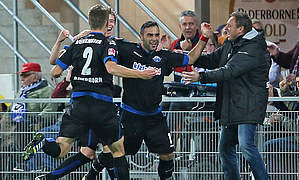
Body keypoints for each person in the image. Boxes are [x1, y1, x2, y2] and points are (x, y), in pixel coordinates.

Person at [23, 4, 157, 180]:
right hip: (101, 106)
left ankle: (45, 150)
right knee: (115, 151)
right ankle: (80, 176)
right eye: (107, 21)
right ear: (103, 22)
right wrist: (141, 74)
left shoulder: (80, 42)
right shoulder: (107, 43)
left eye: (112, 22)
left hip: (78, 106)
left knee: (64, 149)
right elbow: (111, 68)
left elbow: (55, 71)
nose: (110, 25)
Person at [83, 21, 200, 180]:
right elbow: (105, 49)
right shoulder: (127, 49)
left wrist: (205, 38)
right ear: (141, 36)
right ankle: (91, 174)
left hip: (154, 117)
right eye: (150, 35)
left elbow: (191, 58)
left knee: (167, 155)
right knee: (113, 151)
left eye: (156, 35)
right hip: (130, 115)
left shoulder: (164, 55)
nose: (154, 38)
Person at [181, 12, 270, 180]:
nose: (226, 29)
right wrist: (193, 48)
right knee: (225, 149)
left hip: (248, 105)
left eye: (230, 26)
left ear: (241, 29)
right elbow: (209, 60)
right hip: (231, 105)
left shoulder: (254, 48)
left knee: (246, 146)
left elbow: (229, 71)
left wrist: (201, 77)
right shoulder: (231, 43)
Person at [264, 69, 299, 177]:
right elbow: (293, 108)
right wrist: (285, 91)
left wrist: (281, 119)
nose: (298, 85)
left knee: (269, 146)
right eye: (297, 82)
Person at [267, 9, 299, 78]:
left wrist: (298, 76)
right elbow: (290, 62)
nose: (298, 27)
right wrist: (277, 54)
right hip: (297, 87)